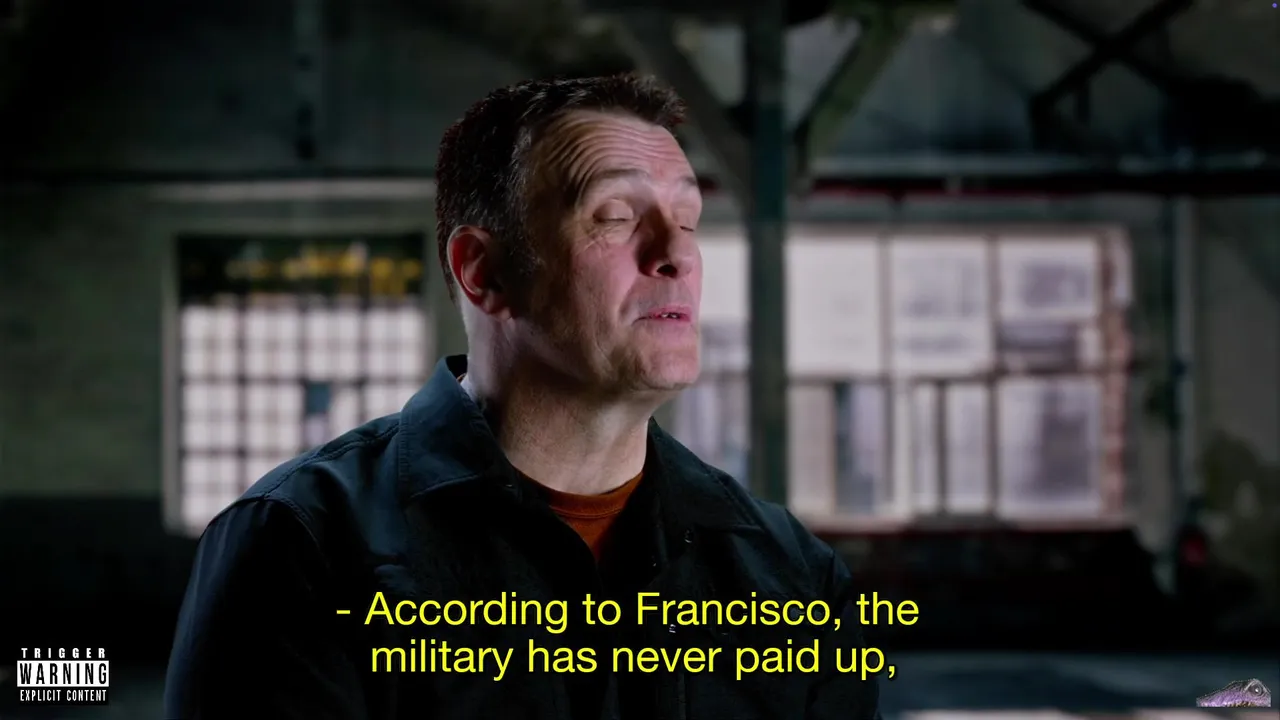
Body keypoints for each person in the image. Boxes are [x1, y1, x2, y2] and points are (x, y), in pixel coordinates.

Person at [163, 73, 882, 720]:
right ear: (484, 272)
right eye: (616, 216)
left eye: (688, 221)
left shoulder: (794, 579)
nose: (677, 255)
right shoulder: (301, 548)